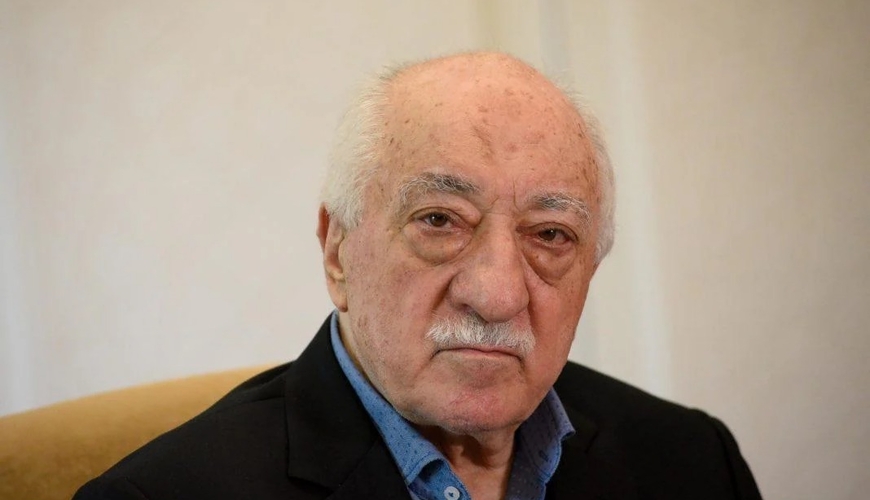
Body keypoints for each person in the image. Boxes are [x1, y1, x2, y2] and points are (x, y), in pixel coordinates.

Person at [74, 52, 762, 500]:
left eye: (550, 234)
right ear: (338, 252)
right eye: (440, 220)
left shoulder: (693, 462)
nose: (497, 295)